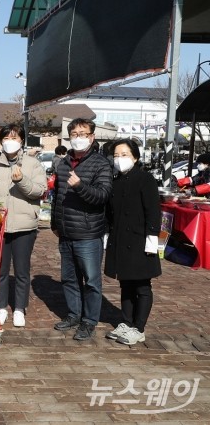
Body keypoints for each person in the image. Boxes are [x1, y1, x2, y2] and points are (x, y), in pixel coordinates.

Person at [0, 124, 47, 327]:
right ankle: (0, 306)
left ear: (22, 140)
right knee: (0, 269)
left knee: (22, 270)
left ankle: (19, 308)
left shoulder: (33, 164)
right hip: (0, 224)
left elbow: (39, 190)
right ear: (1, 141)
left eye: (15, 138)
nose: (10, 141)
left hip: (25, 225)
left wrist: (22, 180)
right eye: (6, 138)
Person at [51, 118, 112, 341]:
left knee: (92, 281)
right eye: (74, 134)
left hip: (88, 234)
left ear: (92, 137)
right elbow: (57, 196)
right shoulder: (63, 163)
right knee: (68, 278)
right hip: (66, 232)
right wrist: (55, 224)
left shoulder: (101, 164)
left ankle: (89, 321)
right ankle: (74, 314)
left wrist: (80, 186)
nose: (79, 138)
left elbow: (102, 196)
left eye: (83, 133)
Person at [104, 139, 161, 345]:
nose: (119, 159)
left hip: (141, 239)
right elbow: (110, 213)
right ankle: (126, 323)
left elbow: (153, 211)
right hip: (120, 239)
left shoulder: (145, 179)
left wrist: (152, 238)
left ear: (135, 157)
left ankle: (139, 327)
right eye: (116, 155)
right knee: (125, 284)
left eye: (124, 155)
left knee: (142, 286)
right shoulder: (116, 181)